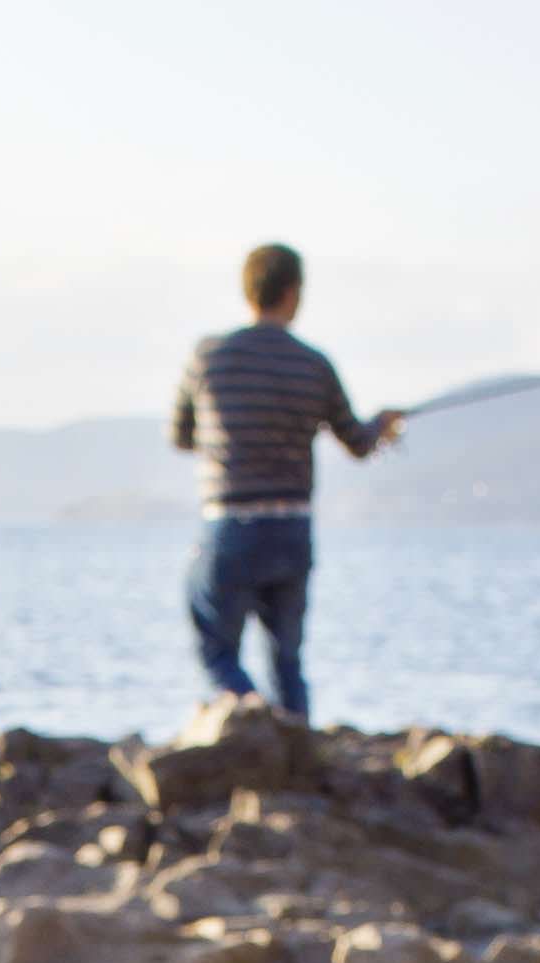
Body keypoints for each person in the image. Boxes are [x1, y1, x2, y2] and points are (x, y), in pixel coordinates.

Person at [167, 242, 400, 721]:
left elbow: (181, 436)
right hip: (291, 527)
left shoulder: (209, 357)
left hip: (229, 524)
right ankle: (293, 744)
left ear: (247, 289)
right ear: (293, 293)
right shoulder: (313, 365)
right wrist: (381, 426)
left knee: (216, 650)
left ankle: (252, 722)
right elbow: (356, 441)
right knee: (287, 660)